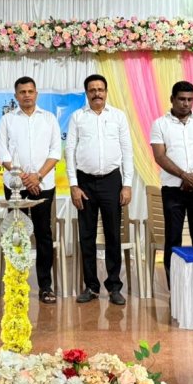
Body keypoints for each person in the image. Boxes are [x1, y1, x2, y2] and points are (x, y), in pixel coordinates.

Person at [67, 74, 133, 306]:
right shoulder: (77, 117)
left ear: (106, 91)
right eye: (92, 90)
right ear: (87, 93)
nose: (97, 93)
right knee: (87, 236)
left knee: (113, 234)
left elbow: (127, 150)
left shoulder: (118, 116)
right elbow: (70, 151)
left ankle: (114, 287)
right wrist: (73, 185)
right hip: (85, 182)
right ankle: (91, 287)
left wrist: (127, 184)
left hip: (112, 181)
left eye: (100, 89)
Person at [0, 76, 61, 304]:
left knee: (43, 234)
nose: (26, 95)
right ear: (16, 96)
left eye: (30, 91)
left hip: (44, 184)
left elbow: (55, 152)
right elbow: (2, 153)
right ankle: (16, 285)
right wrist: (23, 177)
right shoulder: (7, 120)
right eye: (22, 92)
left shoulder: (49, 119)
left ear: (36, 94)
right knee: (16, 235)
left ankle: (45, 286)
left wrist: (37, 177)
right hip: (15, 186)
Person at [150, 80, 193, 287]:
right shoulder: (160, 124)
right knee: (173, 237)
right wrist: (183, 175)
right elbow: (160, 156)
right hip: (173, 189)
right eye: (181, 99)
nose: (186, 103)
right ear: (172, 99)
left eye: (189, 99)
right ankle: (175, 287)